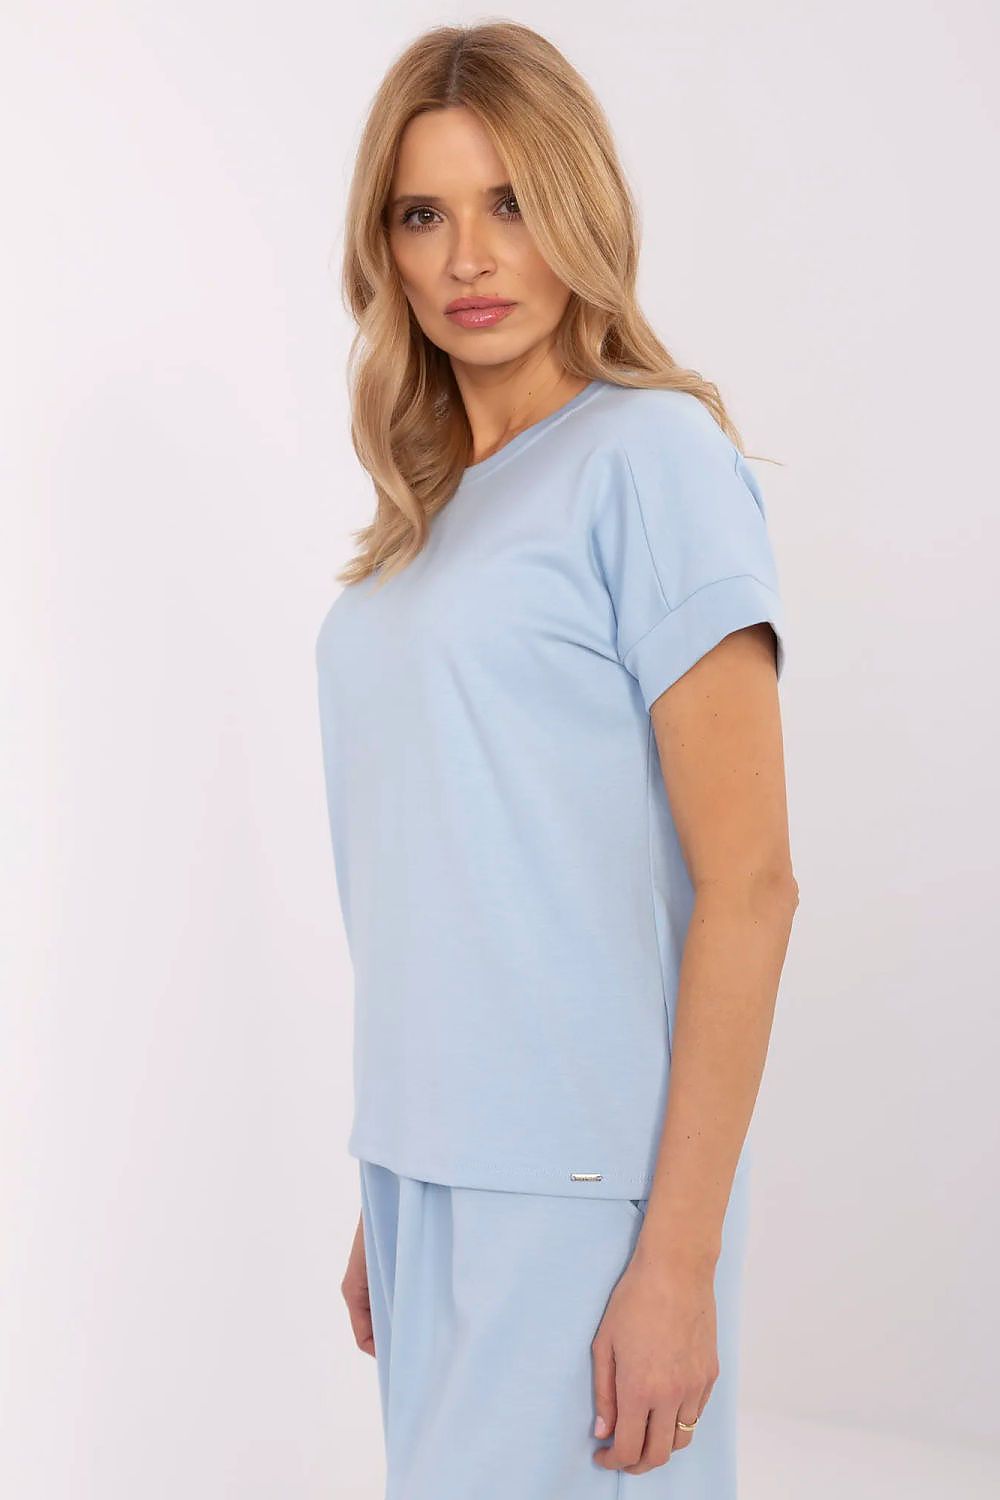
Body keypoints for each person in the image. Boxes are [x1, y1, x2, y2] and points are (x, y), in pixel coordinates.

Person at [314, 20, 798, 1499]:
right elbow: (452, 858)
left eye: (512, 202)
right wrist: (397, 1175)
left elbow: (753, 886)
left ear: (581, 209)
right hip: (430, 1171)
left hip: (579, 1190)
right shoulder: (428, 518)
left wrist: (678, 1263)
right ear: (385, 249)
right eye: (425, 213)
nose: (470, 256)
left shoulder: (651, 461)